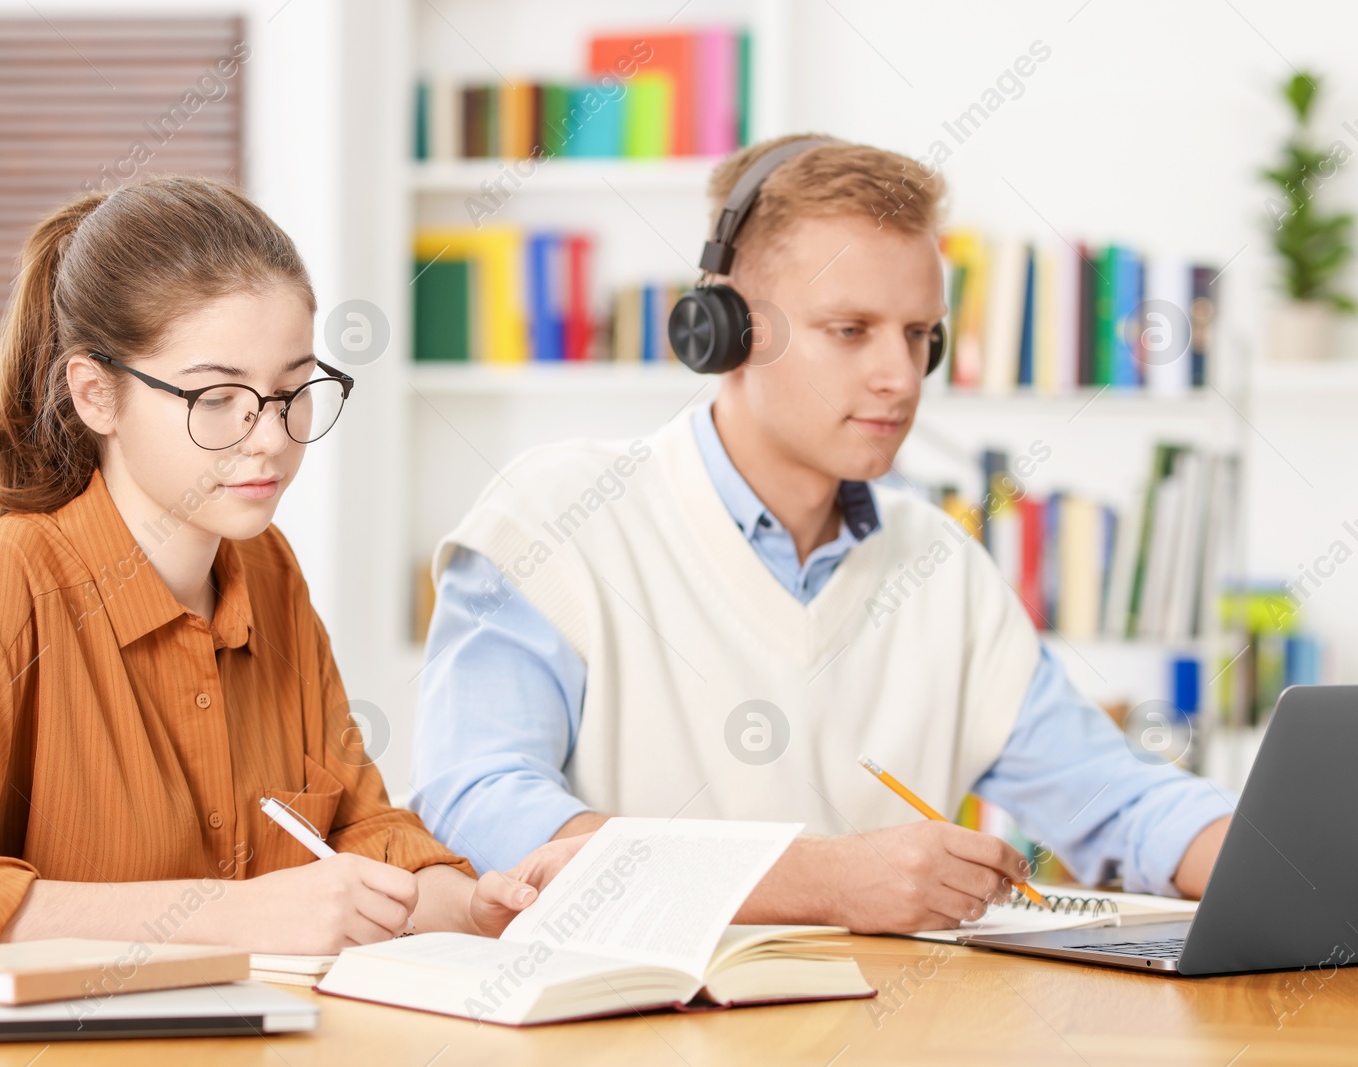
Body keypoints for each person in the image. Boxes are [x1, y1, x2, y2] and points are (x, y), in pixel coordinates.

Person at [410, 135, 1235, 933]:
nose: (900, 376)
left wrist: (1291, 864)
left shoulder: (941, 565)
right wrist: (825, 882)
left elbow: (1118, 800)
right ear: (726, 328)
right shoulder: (557, 516)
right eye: (851, 330)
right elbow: (479, 805)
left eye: (920, 335)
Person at [0, 176, 576, 969]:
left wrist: (466, 903)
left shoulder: (266, 571)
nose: (269, 436)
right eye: (217, 396)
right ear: (98, 394)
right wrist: (226, 915)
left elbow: (358, 830)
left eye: (292, 390)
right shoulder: (2, 579)